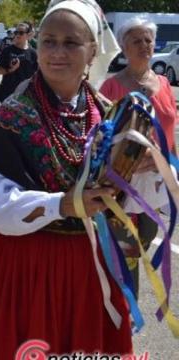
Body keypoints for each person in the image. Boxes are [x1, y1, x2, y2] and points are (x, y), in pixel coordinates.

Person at [0, 0, 132, 358]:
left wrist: (134, 172)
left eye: (71, 43)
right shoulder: (12, 115)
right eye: (48, 41)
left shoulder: (105, 113)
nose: (57, 52)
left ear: (92, 51)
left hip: (88, 263)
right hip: (25, 266)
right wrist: (64, 204)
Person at [99, 16, 179, 299]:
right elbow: (100, 138)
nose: (144, 45)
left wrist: (172, 172)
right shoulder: (111, 87)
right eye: (136, 40)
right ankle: (123, 310)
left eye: (148, 40)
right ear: (123, 47)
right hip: (123, 187)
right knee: (125, 249)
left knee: (141, 246)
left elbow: (170, 131)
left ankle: (119, 304)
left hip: (157, 183)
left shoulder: (164, 83)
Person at [0, 22, 38, 103]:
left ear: (27, 35)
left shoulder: (33, 53)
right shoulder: (7, 50)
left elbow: (37, 74)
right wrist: (11, 69)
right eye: (16, 32)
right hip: (8, 94)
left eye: (21, 33)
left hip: (27, 95)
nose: (17, 35)